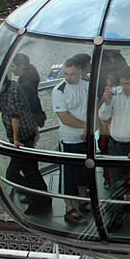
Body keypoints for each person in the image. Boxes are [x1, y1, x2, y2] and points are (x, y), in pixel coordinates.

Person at [0, 63, 49, 215]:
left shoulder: (14, 90)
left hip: (24, 137)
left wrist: (15, 140)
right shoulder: (4, 90)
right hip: (19, 137)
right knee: (30, 170)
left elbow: (15, 116)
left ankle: (35, 198)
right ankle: (43, 197)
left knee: (12, 174)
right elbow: (1, 106)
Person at [98, 65, 130, 233]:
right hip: (115, 144)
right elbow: (103, 117)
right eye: (122, 83)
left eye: (127, 83)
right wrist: (106, 102)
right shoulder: (114, 94)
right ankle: (117, 218)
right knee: (115, 186)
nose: (124, 87)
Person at [53, 58, 90, 225]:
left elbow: (94, 106)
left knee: (84, 170)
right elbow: (65, 118)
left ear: (80, 72)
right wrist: (87, 126)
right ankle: (69, 208)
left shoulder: (88, 84)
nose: (68, 78)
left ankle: (83, 199)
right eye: (66, 74)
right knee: (68, 173)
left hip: (84, 137)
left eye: (72, 74)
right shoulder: (59, 91)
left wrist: (88, 129)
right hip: (68, 139)